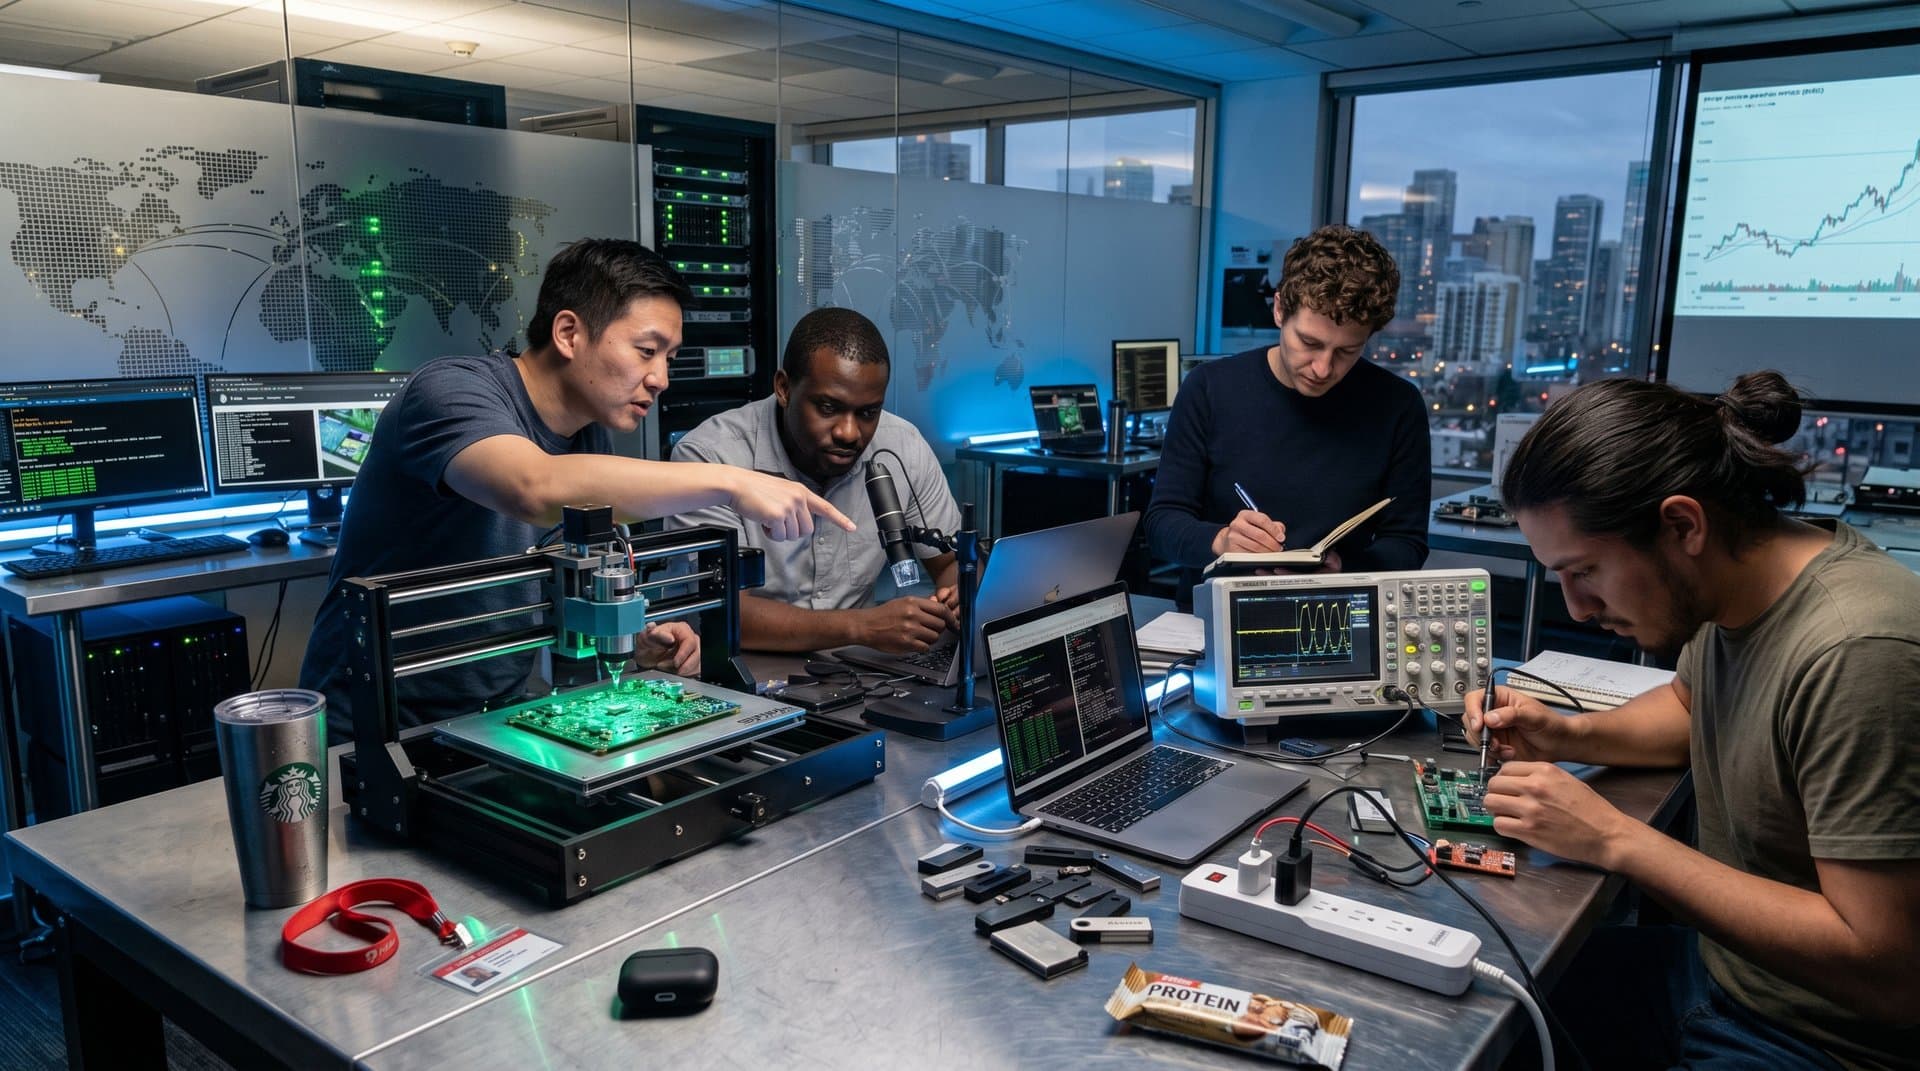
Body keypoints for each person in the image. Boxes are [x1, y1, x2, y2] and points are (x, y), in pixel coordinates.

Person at [1464, 372, 1920, 1070]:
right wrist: (1568, 733)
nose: (1578, 606)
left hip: (1822, 1040)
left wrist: (1614, 837)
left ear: (1682, 524)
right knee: (1478, 1011)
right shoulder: (1734, 585)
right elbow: (1689, 706)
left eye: (1584, 571)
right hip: (1722, 975)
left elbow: (1886, 967)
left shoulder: (1856, 649)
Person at [299, 239, 853, 737]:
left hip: (496, 715)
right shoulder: (448, 392)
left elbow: (573, 576)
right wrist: (733, 482)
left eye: (670, 358)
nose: (660, 378)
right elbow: (533, 487)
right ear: (569, 333)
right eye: (646, 350)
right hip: (372, 725)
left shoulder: (588, 437)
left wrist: (634, 634)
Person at [1144, 224, 1430, 589]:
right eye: (1309, 342)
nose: (1324, 368)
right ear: (1280, 310)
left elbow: (1408, 543)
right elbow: (1162, 523)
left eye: (1347, 352)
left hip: (1335, 614)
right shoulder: (1209, 389)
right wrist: (1222, 542)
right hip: (1216, 611)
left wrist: (1345, 567)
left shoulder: (1398, 406)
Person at [667, 307, 963, 654]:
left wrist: (959, 596)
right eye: (827, 408)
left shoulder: (903, 447)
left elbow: (949, 562)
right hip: (746, 671)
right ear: (783, 388)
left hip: (860, 669)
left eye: (868, 413)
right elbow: (723, 610)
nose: (849, 433)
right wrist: (863, 626)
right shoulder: (710, 457)